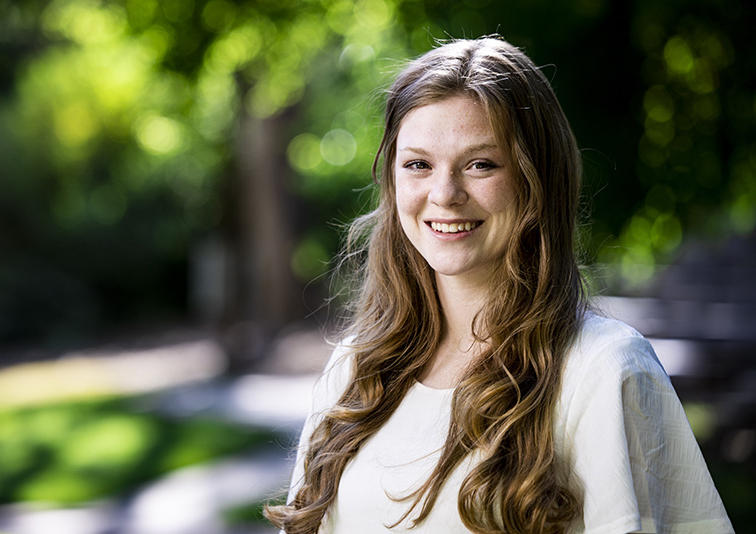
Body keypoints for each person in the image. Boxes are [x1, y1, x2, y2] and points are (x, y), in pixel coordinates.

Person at [265, 36, 733, 534]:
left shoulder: (603, 369)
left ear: (536, 179)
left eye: (480, 164)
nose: (444, 194)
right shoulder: (356, 369)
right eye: (418, 165)